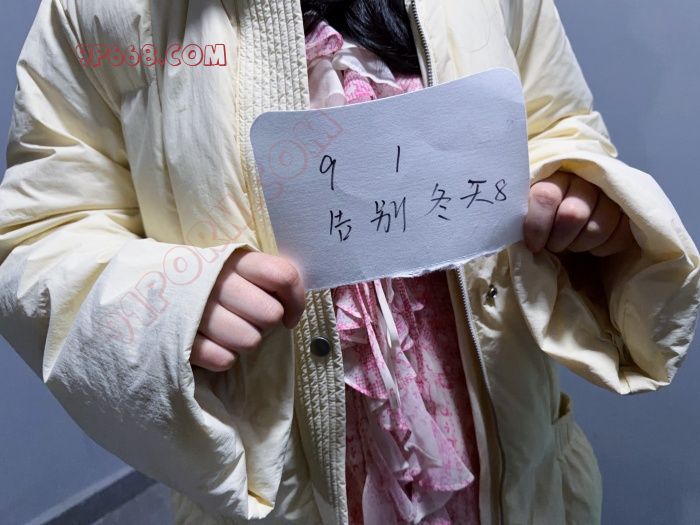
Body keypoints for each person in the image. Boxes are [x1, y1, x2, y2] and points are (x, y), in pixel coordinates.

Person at [0, 0, 698, 524]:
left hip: (512, 470)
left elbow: (555, 121)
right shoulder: (102, 13)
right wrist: (174, 299)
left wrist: (574, 193)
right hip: (283, 491)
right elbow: (41, 230)